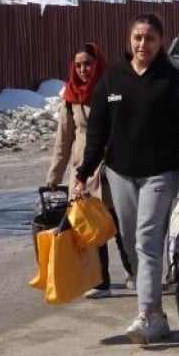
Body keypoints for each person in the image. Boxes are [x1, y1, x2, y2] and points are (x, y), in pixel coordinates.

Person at [76, 14, 179, 345]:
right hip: (120, 172)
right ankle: (158, 315)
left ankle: (147, 314)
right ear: (128, 40)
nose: (142, 44)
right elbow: (97, 132)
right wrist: (82, 173)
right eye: (137, 37)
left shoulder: (171, 81)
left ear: (160, 42)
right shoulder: (112, 79)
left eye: (149, 38)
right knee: (133, 243)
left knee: (148, 240)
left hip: (160, 172)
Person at [45, 43, 131, 298]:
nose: (84, 69)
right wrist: (54, 176)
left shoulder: (112, 90)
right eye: (79, 65)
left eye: (88, 64)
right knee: (90, 227)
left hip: (114, 166)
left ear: (98, 64)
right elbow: (63, 139)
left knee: (120, 224)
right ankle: (100, 281)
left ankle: (133, 271)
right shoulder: (71, 98)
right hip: (84, 170)